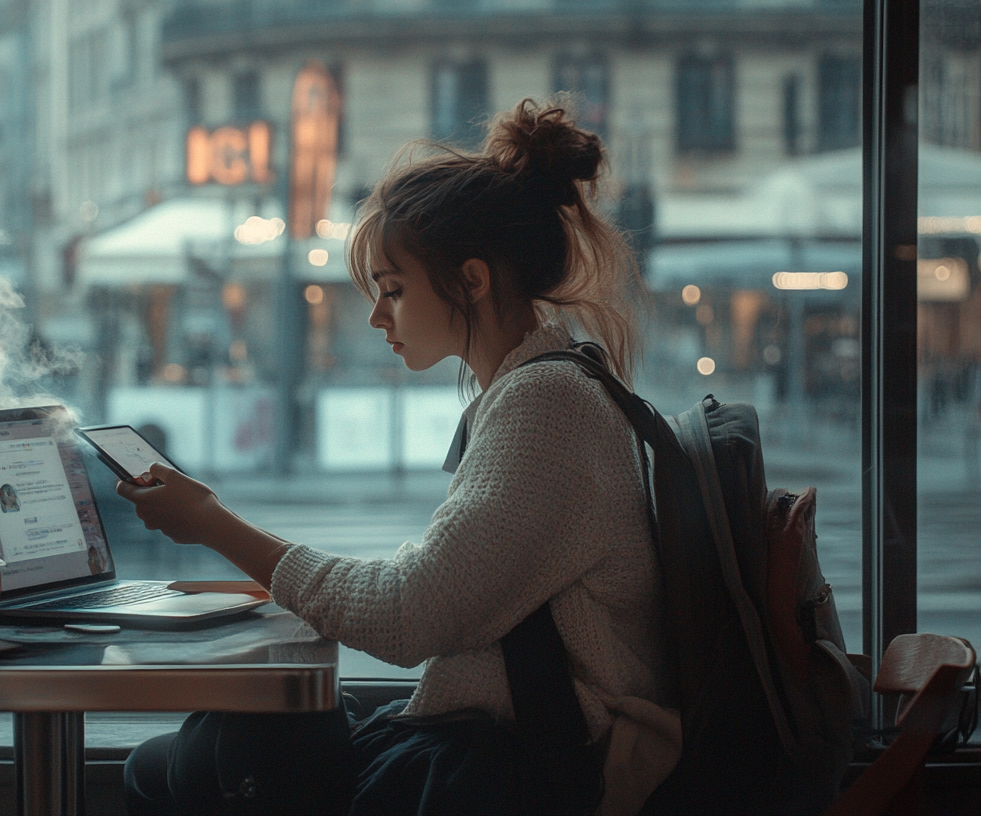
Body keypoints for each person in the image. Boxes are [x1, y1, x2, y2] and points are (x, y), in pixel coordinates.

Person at [115, 98, 676, 816]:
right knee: (209, 747)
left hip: (538, 770)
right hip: (502, 744)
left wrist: (213, 525)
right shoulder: (546, 389)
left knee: (187, 765)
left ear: (472, 279)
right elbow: (436, 590)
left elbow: (410, 616)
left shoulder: (548, 409)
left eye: (394, 289)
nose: (379, 316)